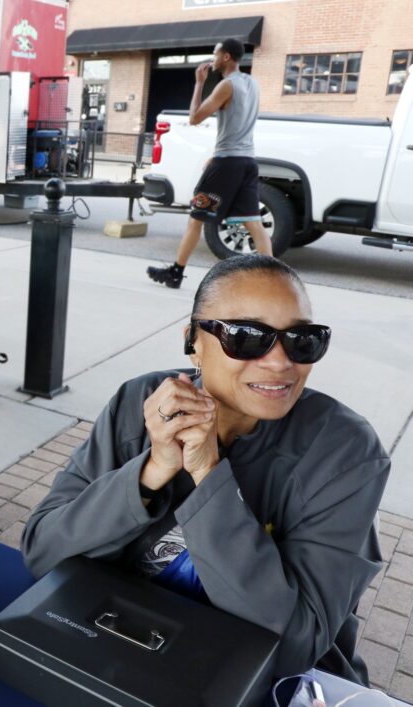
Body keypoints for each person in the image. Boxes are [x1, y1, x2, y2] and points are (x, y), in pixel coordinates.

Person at [23, 255, 389, 685]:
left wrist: (209, 475)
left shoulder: (343, 451)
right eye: (247, 337)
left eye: (301, 340)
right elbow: (43, 551)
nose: (280, 362)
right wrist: (152, 471)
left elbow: (295, 642)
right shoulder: (139, 404)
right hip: (117, 650)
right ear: (193, 341)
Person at [147, 39, 273, 289]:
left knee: (196, 218)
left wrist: (199, 83)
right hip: (247, 162)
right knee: (254, 223)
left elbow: (194, 118)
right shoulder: (252, 84)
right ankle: (273, 280)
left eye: (215, 54)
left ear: (226, 57)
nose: (212, 59)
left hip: (226, 164)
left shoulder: (226, 85)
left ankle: (175, 273)